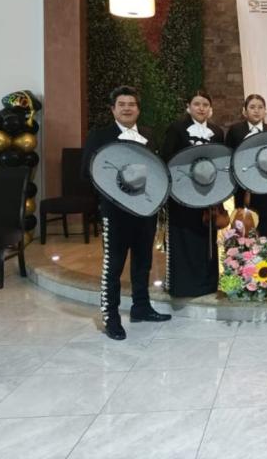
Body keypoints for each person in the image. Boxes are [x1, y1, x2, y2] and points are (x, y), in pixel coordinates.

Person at [81, 85, 171, 341]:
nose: (127, 108)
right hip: (116, 212)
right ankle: (111, 317)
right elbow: (87, 174)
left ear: (138, 109)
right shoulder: (99, 136)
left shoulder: (149, 135)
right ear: (113, 109)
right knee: (114, 265)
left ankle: (141, 307)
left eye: (131, 104)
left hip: (145, 210)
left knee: (143, 261)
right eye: (122, 104)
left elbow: (157, 171)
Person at [160, 90, 224, 298]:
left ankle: (206, 284)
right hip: (182, 196)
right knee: (184, 237)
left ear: (210, 108)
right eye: (197, 104)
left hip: (208, 196)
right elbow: (167, 160)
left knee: (206, 238)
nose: (201, 108)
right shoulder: (177, 129)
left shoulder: (216, 131)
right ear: (188, 106)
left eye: (205, 104)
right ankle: (184, 286)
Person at [225, 94, 267, 240]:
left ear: (265, 111)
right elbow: (229, 158)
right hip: (245, 192)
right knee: (246, 231)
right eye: (252, 107)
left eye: (260, 107)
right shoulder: (235, 131)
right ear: (244, 111)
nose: (256, 111)